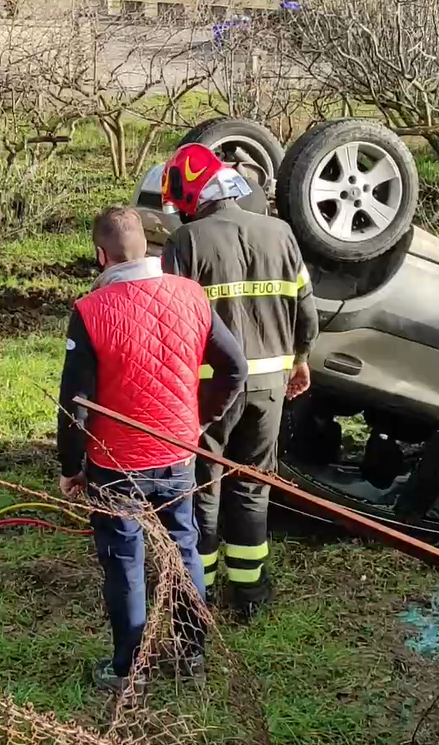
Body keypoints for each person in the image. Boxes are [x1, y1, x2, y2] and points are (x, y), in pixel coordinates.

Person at [57, 206, 247, 691]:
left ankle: (127, 669)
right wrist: (201, 417)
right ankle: (192, 655)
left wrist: (71, 465)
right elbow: (235, 368)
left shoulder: (90, 311)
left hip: (114, 463)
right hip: (177, 455)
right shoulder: (193, 295)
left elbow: (74, 403)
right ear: (147, 245)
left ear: (101, 255)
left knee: (124, 559)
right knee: (184, 549)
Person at [159, 143, 318, 619]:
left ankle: (196, 594)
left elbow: (171, 323)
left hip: (209, 389)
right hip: (270, 387)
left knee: (203, 488)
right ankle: (250, 598)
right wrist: (300, 359)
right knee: (252, 485)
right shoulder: (282, 234)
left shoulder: (185, 243)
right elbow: (306, 311)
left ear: (190, 195)